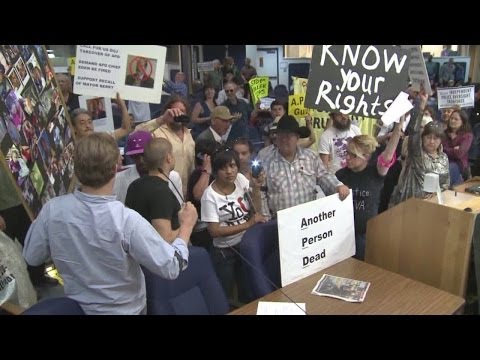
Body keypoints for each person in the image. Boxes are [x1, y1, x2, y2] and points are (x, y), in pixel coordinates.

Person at [23, 132, 198, 315]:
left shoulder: (52, 210)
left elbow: (32, 256)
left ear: (75, 169)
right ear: (116, 167)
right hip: (127, 310)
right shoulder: (125, 220)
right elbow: (172, 266)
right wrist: (186, 226)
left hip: (78, 309)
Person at [201, 148, 266, 306]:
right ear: (215, 171)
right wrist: (248, 224)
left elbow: (255, 211)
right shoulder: (209, 196)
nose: (229, 171)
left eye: (232, 166)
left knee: (247, 289)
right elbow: (214, 231)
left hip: (245, 244)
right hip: (224, 252)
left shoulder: (240, 180)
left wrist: (256, 188)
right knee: (226, 294)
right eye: (223, 168)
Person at [336, 118, 403, 260]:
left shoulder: (375, 173)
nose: (347, 157)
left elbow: (388, 155)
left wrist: (398, 126)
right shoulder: (340, 175)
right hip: (342, 234)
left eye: (353, 155)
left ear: (366, 156)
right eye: (347, 153)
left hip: (366, 235)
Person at [389, 90, 450, 207]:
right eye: (428, 137)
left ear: (441, 140)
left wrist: (437, 194)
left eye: (436, 138)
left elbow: (445, 183)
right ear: (423, 138)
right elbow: (414, 131)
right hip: (409, 203)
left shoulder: (444, 158)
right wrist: (421, 105)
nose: (432, 141)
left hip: (432, 206)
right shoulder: (417, 153)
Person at [126, 138, 189, 244]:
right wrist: (187, 224)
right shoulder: (161, 192)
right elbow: (164, 239)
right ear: (169, 158)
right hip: (162, 257)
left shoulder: (134, 185)